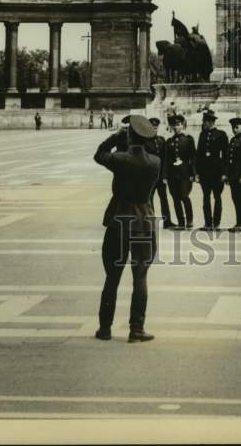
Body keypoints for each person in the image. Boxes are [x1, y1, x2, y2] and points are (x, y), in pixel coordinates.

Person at [94, 114, 160, 343]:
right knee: (140, 276)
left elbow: (99, 155)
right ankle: (136, 329)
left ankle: (105, 328)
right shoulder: (155, 162)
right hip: (143, 220)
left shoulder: (120, 159)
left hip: (118, 220)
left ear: (129, 135)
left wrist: (116, 136)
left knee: (112, 276)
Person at [195, 110, 228, 232]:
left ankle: (216, 222)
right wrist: (197, 172)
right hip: (204, 172)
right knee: (206, 197)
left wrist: (224, 173)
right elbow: (198, 155)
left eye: (204, 121)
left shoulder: (221, 134)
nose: (203, 123)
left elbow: (225, 156)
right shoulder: (202, 135)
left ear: (210, 122)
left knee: (217, 197)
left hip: (217, 171)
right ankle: (208, 223)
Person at [164, 114, 195, 229]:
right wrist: (165, 175)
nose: (176, 127)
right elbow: (167, 160)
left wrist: (193, 173)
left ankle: (190, 220)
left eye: (178, 125)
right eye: (174, 125)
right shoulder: (169, 141)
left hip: (185, 174)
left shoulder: (188, 139)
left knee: (184, 196)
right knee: (175, 198)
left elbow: (193, 157)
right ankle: (181, 222)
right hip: (173, 174)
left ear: (182, 125)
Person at [147, 117, 172, 228]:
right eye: (152, 127)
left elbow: (165, 159)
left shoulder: (161, 140)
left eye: (156, 127)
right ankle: (150, 221)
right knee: (149, 199)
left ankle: (167, 221)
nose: (154, 129)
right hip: (150, 177)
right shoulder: (144, 142)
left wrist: (165, 175)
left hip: (161, 176)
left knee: (164, 199)